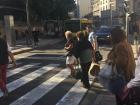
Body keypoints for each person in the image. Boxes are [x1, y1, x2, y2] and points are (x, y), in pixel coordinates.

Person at [106, 27, 135, 105]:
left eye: (111, 36)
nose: (110, 37)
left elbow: (121, 62)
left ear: (115, 36)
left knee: (122, 100)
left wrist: (110, 61)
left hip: (122, 78)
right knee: (126, 98)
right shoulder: (126, 44)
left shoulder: (120, 46)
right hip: (128, 75)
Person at [0, 33, 16, 97]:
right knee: (3, 77)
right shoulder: (5, 42)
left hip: (2, 63)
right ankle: (4, 88)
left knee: (1, 78)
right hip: (5, 62)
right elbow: (9, 52)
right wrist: (14, 61)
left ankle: (4, 89)